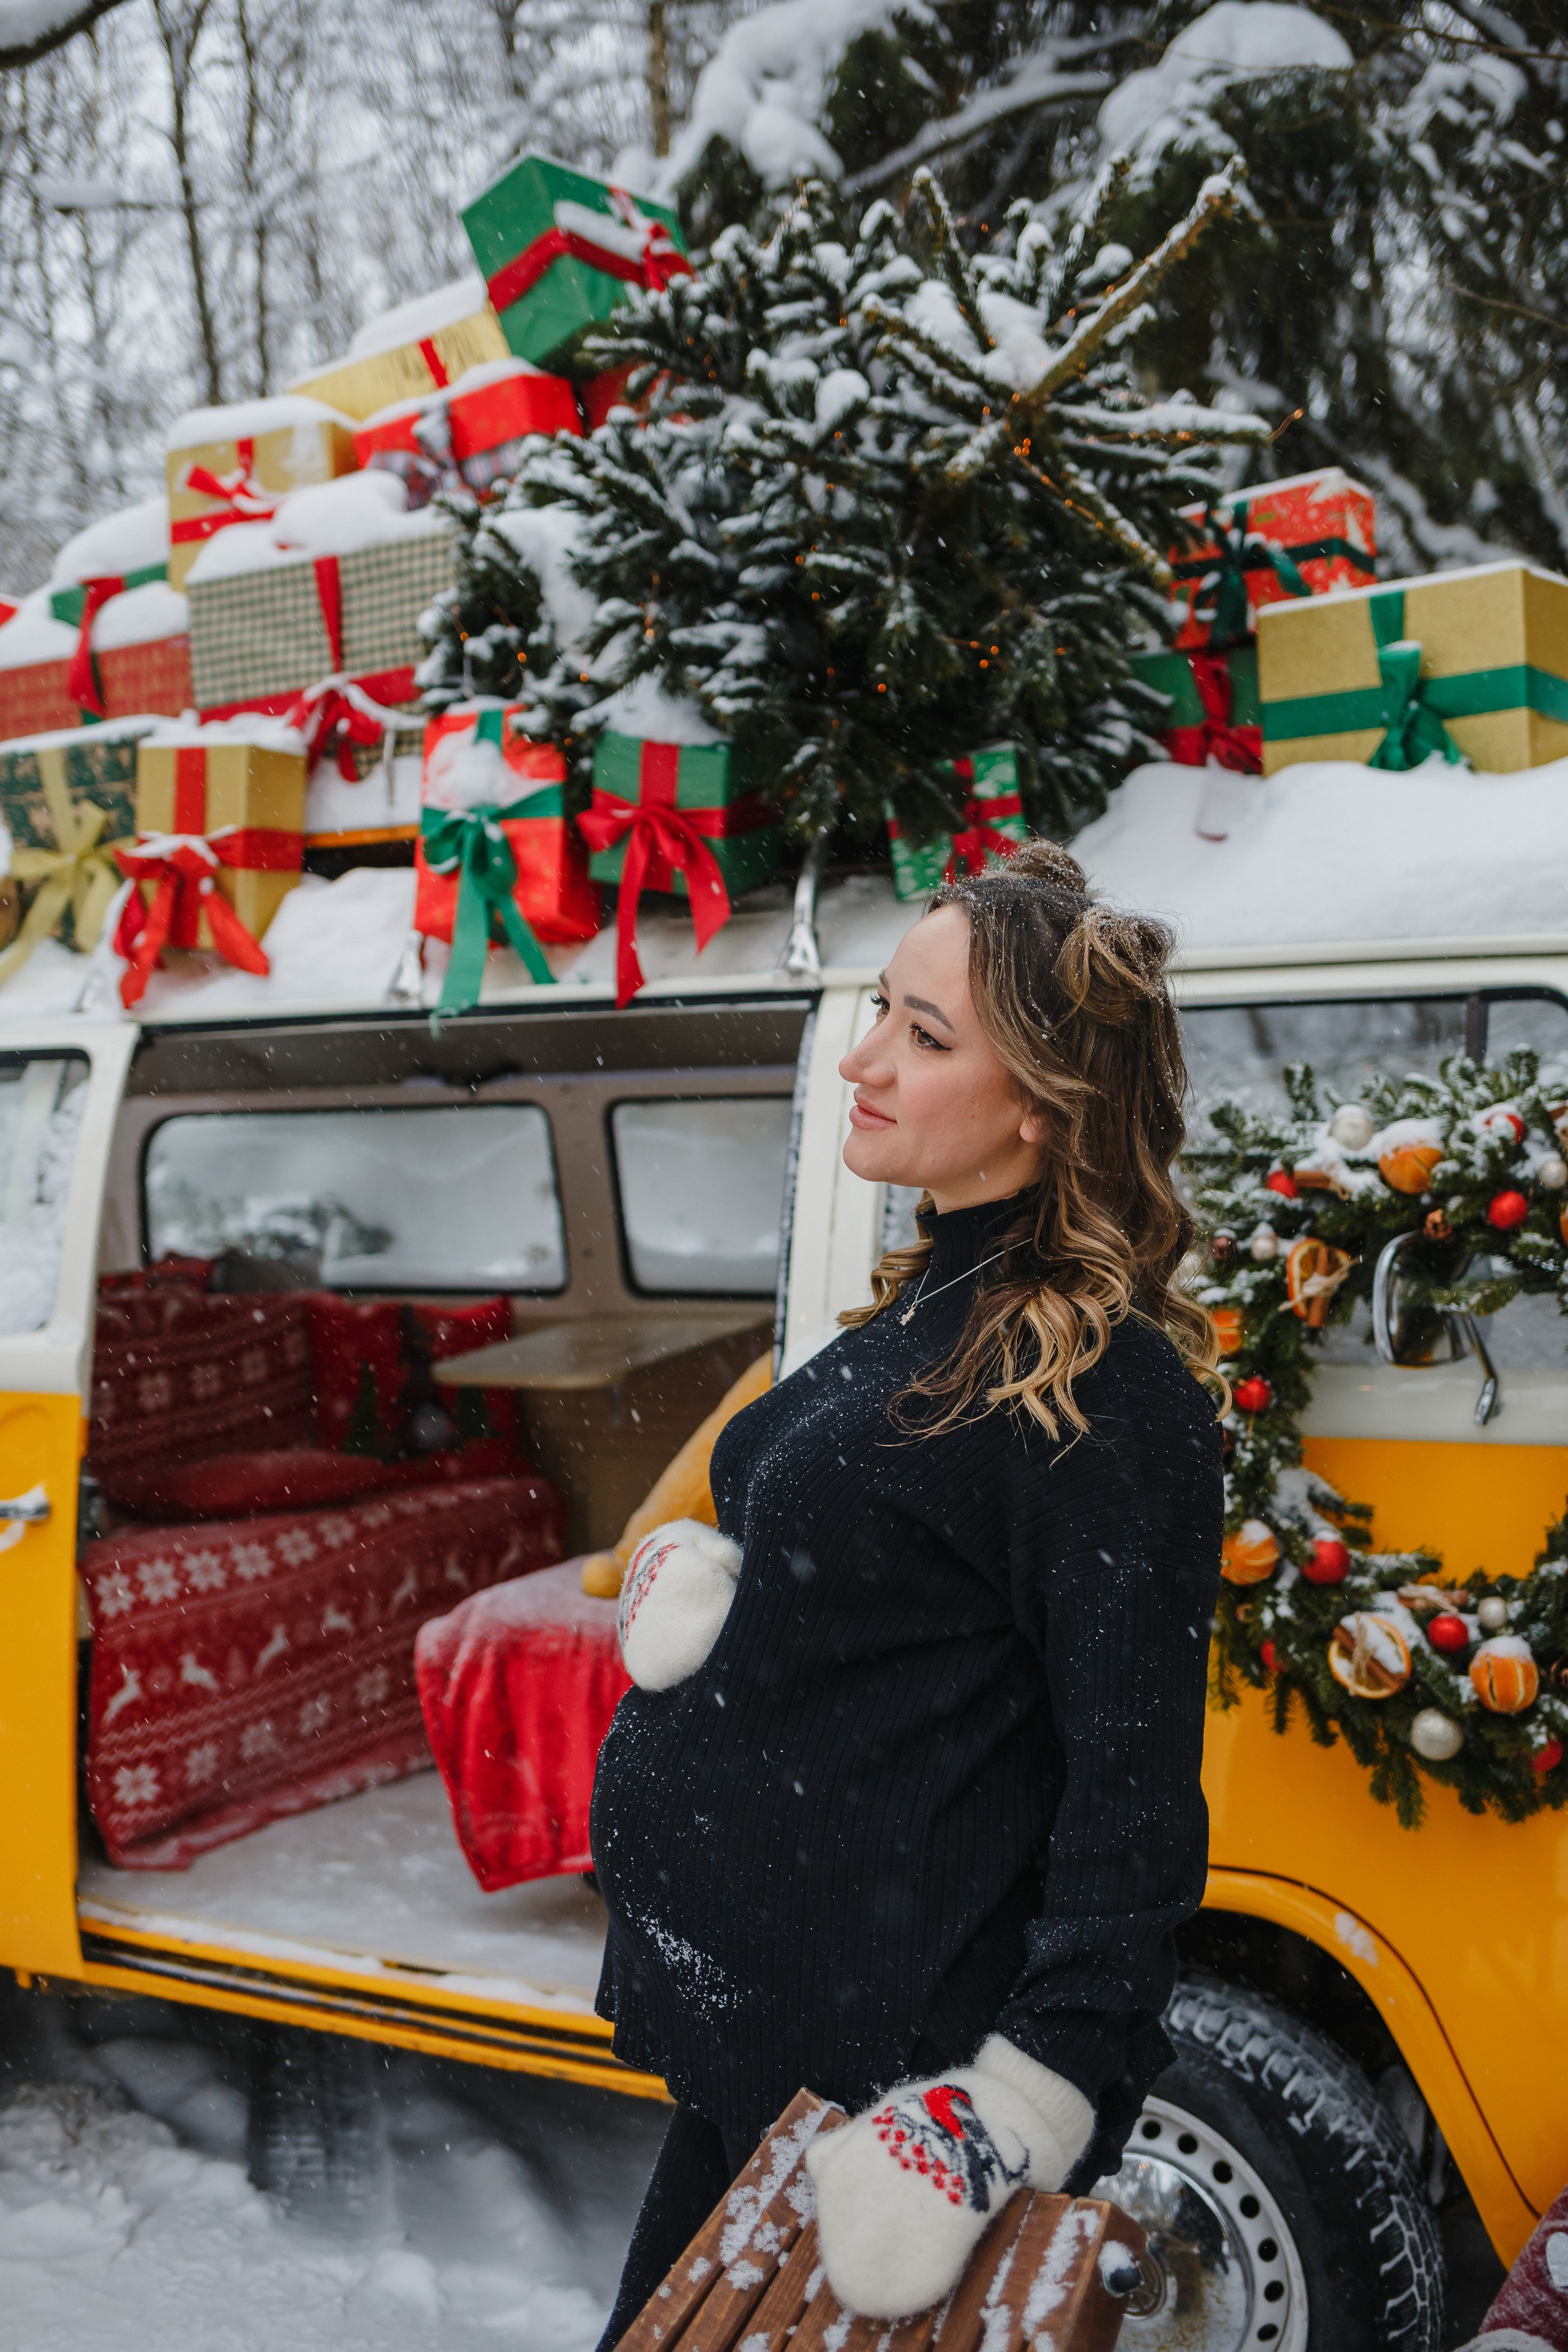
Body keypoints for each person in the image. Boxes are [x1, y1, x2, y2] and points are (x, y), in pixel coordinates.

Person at [589, 839, 1224, 2344]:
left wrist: (999, 2117)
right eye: (880, 1007)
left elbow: (1130, 1811)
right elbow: (892, 1583)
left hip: (885, 2130)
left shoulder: (1105, 1398)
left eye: (922, 1036)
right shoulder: (943, 1293)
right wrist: (724, 1586)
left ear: (1042, 1104)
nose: (859, 1059)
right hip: (771, 2071)